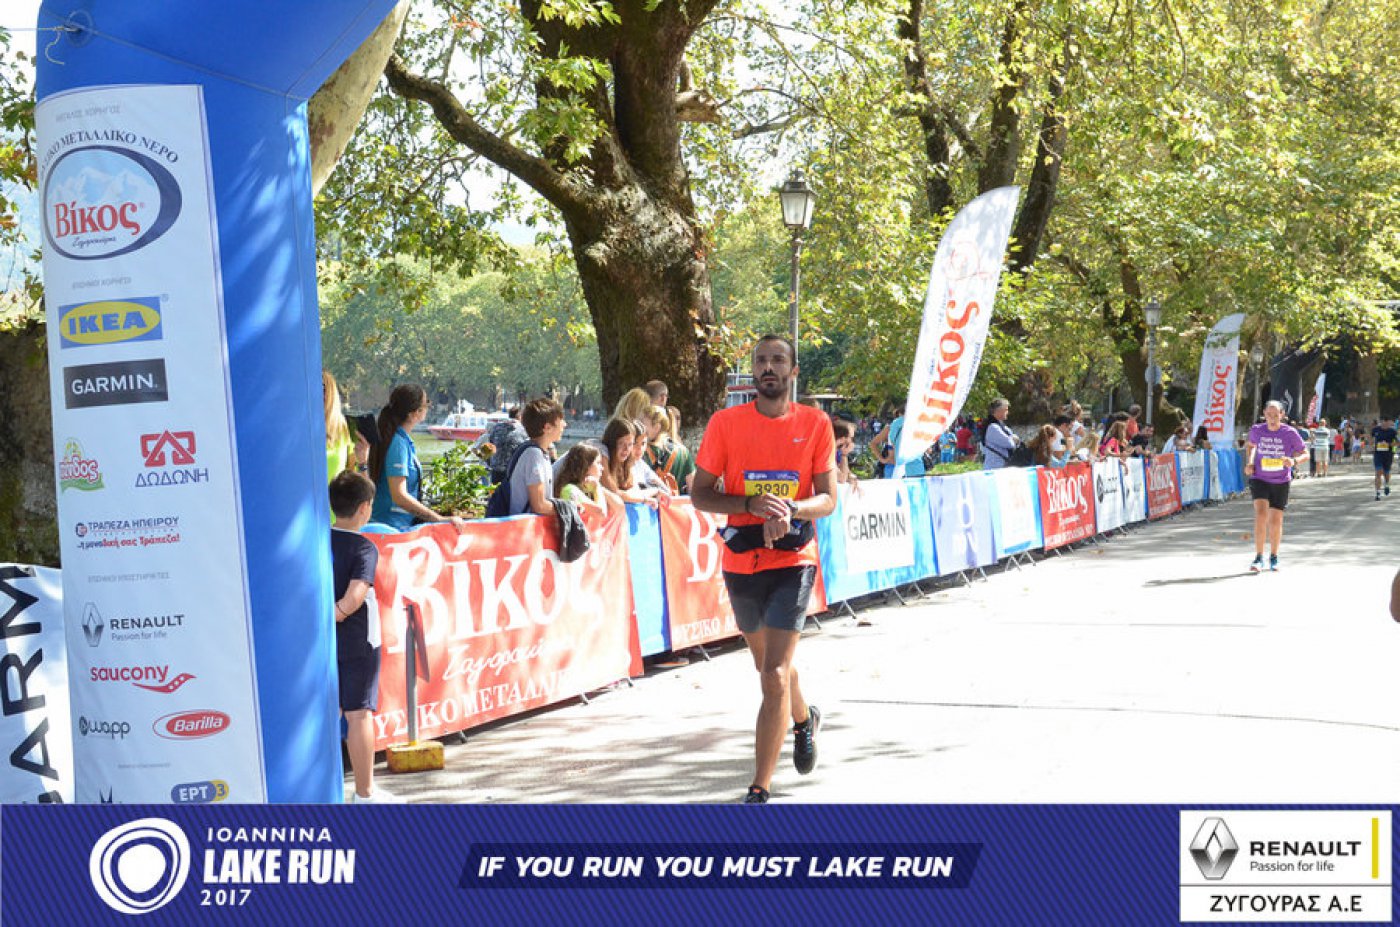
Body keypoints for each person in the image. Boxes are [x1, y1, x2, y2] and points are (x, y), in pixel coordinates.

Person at [691, 334, 837, 805]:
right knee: (769, 666)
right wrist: (751, 505)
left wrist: (791, 509)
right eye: (760, 361)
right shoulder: (725, 423)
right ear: (753, 370)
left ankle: (760, 787)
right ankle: (804, 719)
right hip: (742, 561)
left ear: (793, 371)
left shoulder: (815, 423)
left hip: (794, 559)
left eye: (777, 360)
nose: (768, 367)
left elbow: (827, 499)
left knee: (773, 673)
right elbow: (700, 494)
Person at [329, 471, 397, 803]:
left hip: (320, 643)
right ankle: (364, 794)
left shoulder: (316, 539)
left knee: (327, 712)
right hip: (358, 640)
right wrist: (337, 613)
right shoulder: (364, 547)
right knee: (358, 715)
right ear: (364, 508)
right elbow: (355, 596)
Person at [369, 384, 465, 531]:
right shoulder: (398, 444)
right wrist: (438, 519)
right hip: (392, 528)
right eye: (426, 404)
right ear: (414, 413)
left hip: (395, 526)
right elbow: (399, 496)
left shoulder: (399, 440)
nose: (429, 407)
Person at [1245, 400, 1308, 572]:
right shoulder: (1257, 430)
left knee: (1275, 520)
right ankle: (1258, 557)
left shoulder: (1290, 433)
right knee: (1261, 514)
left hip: (1280, 480)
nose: (1272, 419)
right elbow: (1251, 447)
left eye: (1275, 415)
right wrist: (1250, 463)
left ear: (1282, 415)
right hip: (1260, 478)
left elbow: (1305, 453)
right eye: (1269, 415)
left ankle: (1273, 556)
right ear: (1264, 414)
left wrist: (1293, 461)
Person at [507, 398, 567, 516]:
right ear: (547, 427)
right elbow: (539, 506)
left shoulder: (539, 453)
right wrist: (570, 508)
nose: (565, 424)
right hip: (524, 525)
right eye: (561, 420)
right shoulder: (534, 455)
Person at [599, 417, 662, 507]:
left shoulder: (628, 462)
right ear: (612, 442)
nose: (626, 449)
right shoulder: (601, 457)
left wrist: (656, 491)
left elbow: (633, 492)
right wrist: (646, 498)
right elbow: (615, 494)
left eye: (630, 444)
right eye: (621, 443)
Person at [324, 371, 368, 483]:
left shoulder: (342, 426)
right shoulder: (298, 430)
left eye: (323, 388)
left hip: (337, 494)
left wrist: (362, 461)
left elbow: (353, 474)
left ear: (331, 392)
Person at [642, 405, 695, 493]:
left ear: (656, 427)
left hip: (649, 500)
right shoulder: (683, 452)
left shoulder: (640, 451)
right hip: (675, 501)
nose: (640, 429)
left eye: (643, 424)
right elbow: (692, 488)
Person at [554, 443, 619, 515]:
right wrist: (597, 487)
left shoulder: (589, 487)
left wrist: (598, 488)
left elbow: (619, 506)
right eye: (598, 463)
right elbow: (601, 513)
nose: (602, 468)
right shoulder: (569, 490)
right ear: (586, 466)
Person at [485, 407, 529, 485]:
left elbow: (490, 445)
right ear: (520, 416)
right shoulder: (523, 430)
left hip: (496, 469)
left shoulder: (496, 427)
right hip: (513, 471)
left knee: (496, 491)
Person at [981, 399, 1019, 470]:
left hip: (1002, 466)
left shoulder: (1002, 426)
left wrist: (1013, 438)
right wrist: (1013, 438)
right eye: (1006, 410)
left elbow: (1016, 441)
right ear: (998, 411)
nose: (1008, 412)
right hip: (995, 468)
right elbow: (1010, 444)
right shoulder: (993, 427)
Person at [1372, 417, 1397, 500]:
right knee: (1378, 472)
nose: (1385, 424)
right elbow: (1370, 437)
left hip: (1388, 455)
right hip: (1378, 454)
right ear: (1381, 422)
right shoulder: (1376, 430)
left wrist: (1388, 444)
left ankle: (1386, 484)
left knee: (1386, 473)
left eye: (1387, 423)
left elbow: (1398, 442)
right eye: (1383, 422)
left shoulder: (1393, 431)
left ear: (1389, 423)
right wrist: (1372, 444)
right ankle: (1377, 493)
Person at [831, 418, 858, 485]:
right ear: (842, 438)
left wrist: (850, 476)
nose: (852, 442)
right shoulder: (828, 452)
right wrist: (844, 455)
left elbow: (846, 473)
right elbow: (842, 478)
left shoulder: (837, 451)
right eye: (851, 438)